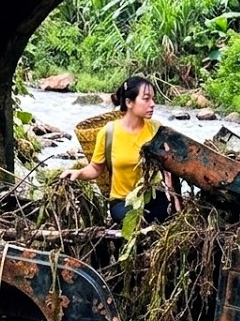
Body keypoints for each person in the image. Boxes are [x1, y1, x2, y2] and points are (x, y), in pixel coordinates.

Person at [60, 76, 173, 226]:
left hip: (152, 198)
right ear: (129, 102)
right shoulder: (109, 132)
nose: (152, 104)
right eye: (146, 99)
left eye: (153, 99)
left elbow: (170, 166)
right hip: (122, 202)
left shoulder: (156, 129)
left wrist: (176, 200)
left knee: (162, 222)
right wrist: (78, 173)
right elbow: (95, 168)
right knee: (133, 223)